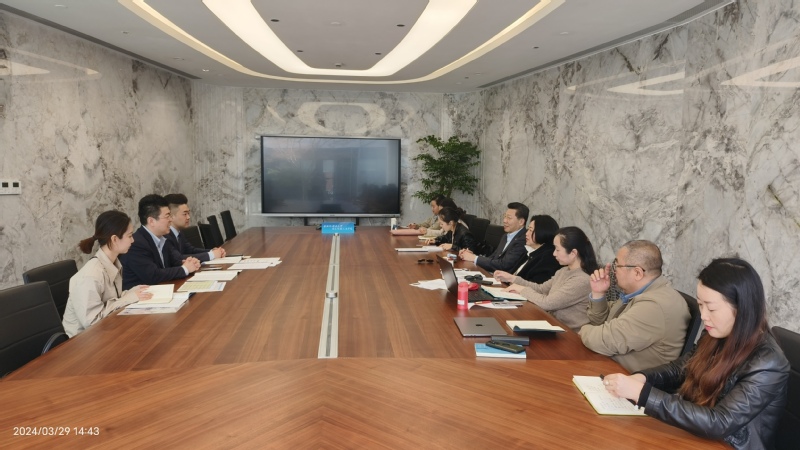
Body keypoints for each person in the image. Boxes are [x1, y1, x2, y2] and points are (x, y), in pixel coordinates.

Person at [602, 258, 790, 449]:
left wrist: (643, 394)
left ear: (742, 309)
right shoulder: (716, 332)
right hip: (696, 433)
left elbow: (720, 422)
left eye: (712, 308)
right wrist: (643, 378)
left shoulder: (768, 362)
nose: (704, 316)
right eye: (700, 305)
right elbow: (682, 368)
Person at [579, 240, 690, 372]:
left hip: (627, 377)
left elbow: (605, 341)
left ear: (637, 273)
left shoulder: (654, 306)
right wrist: (598, 293)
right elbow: (600, 322)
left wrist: (582, 330)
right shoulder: (638, 293)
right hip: (609, 366)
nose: (613, 271)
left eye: (617, 265)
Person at [62, 210, 153, 337]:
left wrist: (132, 293)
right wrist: (129, 298)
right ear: (114, 239)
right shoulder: (90, 276)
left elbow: (112, 300)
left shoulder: (113, 263)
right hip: (83, 341)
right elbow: (92, 323)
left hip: (107, 332)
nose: (133, 240)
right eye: (130, 236)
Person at [502, 227, 597, 331]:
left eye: (557, 249)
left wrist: (522, 290)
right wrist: (513, 279)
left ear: (573, 253)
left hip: (569, 333)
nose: (554, 253)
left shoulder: (581, 280)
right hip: (553, 324)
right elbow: (541, 289)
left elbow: (547, 303)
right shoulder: (563, 271)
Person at [120, 194, 202, 290]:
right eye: (167, 216)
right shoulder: (136, 244)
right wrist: (184, 269)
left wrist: (188, 262)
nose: (170, 219)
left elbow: (173, 262)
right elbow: (153, 275)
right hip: (142, 296)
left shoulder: (163, 238)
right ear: (151, 221)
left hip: (162, 290)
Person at [459, 202, 528, 273]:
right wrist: (472, 256)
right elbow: (493, 258)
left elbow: (504, 265)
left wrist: (475, 258)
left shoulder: (524, 240)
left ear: (521, 222)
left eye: (509, 218)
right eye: (505, 216)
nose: (504, 221)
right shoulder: (505, 236)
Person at [494, 214, 561, 285]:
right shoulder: (530, 250)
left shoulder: (549, 257)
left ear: (542, 232)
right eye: (528, 229)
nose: (526, 233)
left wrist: (510, 279)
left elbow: (536, 285)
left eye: (530, 230)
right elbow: (515, 274)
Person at [164, 193, 226, 262]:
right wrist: (212, 255)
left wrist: (212, 251)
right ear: (171, 216)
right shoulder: (165, 235)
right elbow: (178, 258)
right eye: (185, 214)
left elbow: (191, 250)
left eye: (188, 213)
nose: (188, 217)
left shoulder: (179, 232)